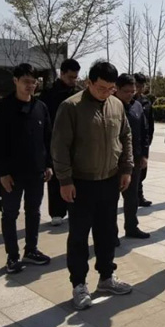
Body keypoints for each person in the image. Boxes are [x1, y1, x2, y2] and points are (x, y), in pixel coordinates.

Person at [52, 61, 134, 310]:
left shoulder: (116, 104)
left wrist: (126, 168)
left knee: (107, 232)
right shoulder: (71, 107)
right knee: (79, 236)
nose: (106, 93)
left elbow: (125, 136)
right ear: (89, 82)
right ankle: (79, 284)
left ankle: (106, 277)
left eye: (110, 88)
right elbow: (60, 146)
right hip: (81, 182)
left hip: (109, 180)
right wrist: (65, 180)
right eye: (101, 88)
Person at [0, 64, 53, 274]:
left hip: (36, 171)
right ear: (15, 81)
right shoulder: (4, 108)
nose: (30, 86)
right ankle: (12, 256)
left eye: (34, 82)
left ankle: (31, 249)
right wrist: (2, 172)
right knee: (10, 213)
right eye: (26, 81)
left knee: (34, 212)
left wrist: (48, 164)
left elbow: (47, 138)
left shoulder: (40, 107)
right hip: (12, 173)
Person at [40, 58, 81, 226]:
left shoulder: (79, 93)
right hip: (55, 140)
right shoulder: (49, 94)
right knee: (57, 177)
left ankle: (74, 208)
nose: (73, 80)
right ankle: (57, 212)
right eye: (70, 77)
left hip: (76, 142)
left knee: (76, 177)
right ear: (62, 73)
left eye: (76, 77)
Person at [114, 74, 150, 240]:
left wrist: (144, 155)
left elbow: (144, 131)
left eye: (132, 91)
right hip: (113, 162)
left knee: (132, 197)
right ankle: (111, 233)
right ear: (117, 89)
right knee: (111, 200)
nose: (130, 94)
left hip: (134, 159)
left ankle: (131, 227)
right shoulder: (110, 106)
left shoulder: (137, 106)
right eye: (126, 91)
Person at [134, 73, 155, 208]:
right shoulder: (125, 101)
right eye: (137, 85)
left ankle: (139, 196)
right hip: (130, 142)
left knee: (141, 171)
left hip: (143, 141)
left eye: (141, 86)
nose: (139, 89)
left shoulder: (146, 102)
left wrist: (149, 140)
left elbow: (150, 124)